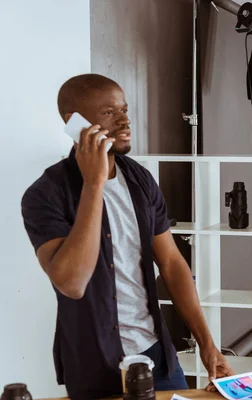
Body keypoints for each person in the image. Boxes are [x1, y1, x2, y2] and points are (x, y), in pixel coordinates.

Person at [21, 74, 233, 399]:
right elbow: (72, 282)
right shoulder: (45, 195)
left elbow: (173, 264)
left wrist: (208, 344)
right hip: (93, 366)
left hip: (157, 358)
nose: (124, 119)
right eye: (109, 112)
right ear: (73, 122)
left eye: (125, 109)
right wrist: (94, 184)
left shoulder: (140, 180)